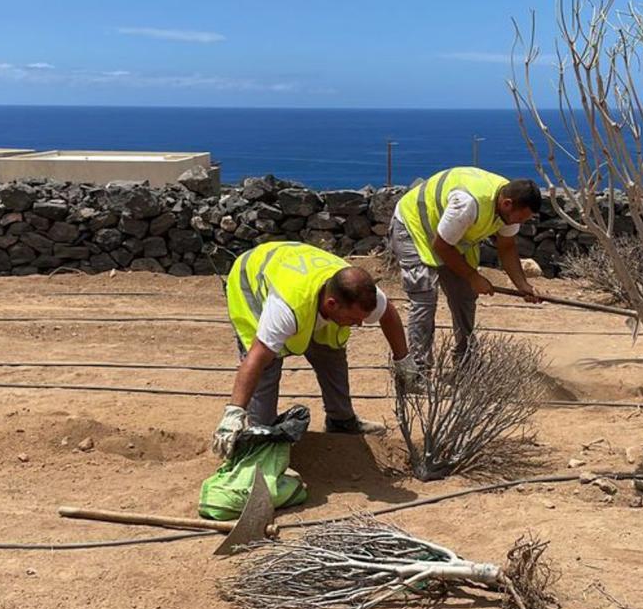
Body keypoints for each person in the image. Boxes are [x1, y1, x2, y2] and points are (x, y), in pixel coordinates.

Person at [212, 240, 419, 457]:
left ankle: (341, 422)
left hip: (295, 264)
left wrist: (403, 360)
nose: (359, 324)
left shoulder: (359, 293)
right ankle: (259, 437)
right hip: (253, 278)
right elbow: (256, 357)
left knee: (331, 351)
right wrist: (234, 413)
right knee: (268, 365)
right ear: (332, 304)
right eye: (353, 318)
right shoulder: (285, 308)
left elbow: (388, 314)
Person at [390, 166, 542, 365]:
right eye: (521, 218)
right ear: (507, 204)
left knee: (464, 295)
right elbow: (441, 246)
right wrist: (473, 277)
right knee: (425, 296)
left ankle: (465, 362)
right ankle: (419, 369)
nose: (522, 222)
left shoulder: (509, 208)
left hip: (450, 237)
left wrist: (523, 286)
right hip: (414, 226)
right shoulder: (468, 204)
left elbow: (507, 247)